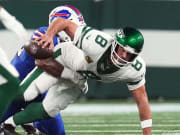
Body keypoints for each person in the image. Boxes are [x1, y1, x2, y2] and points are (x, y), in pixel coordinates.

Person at [3, 16, 152, 135]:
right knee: (26, 94)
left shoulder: (135, 69)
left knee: (49, 109)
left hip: (78, 78)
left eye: (130, 55)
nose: (124, 56)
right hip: (63, 60)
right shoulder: (96, 41)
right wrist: (49, 35)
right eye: (122, 50)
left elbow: (142, 100)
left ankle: (9, 125)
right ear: (115, 43)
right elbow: (63, 22)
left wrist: (147, 133)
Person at [0, 5, 86, 135]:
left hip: (37, 94)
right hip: (14, 94)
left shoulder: (69, 47)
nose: (77, 30)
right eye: (74, 24)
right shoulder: (45, 35)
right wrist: (76, 77)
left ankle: (27, 122)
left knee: (58, 133)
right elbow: (45, 61)